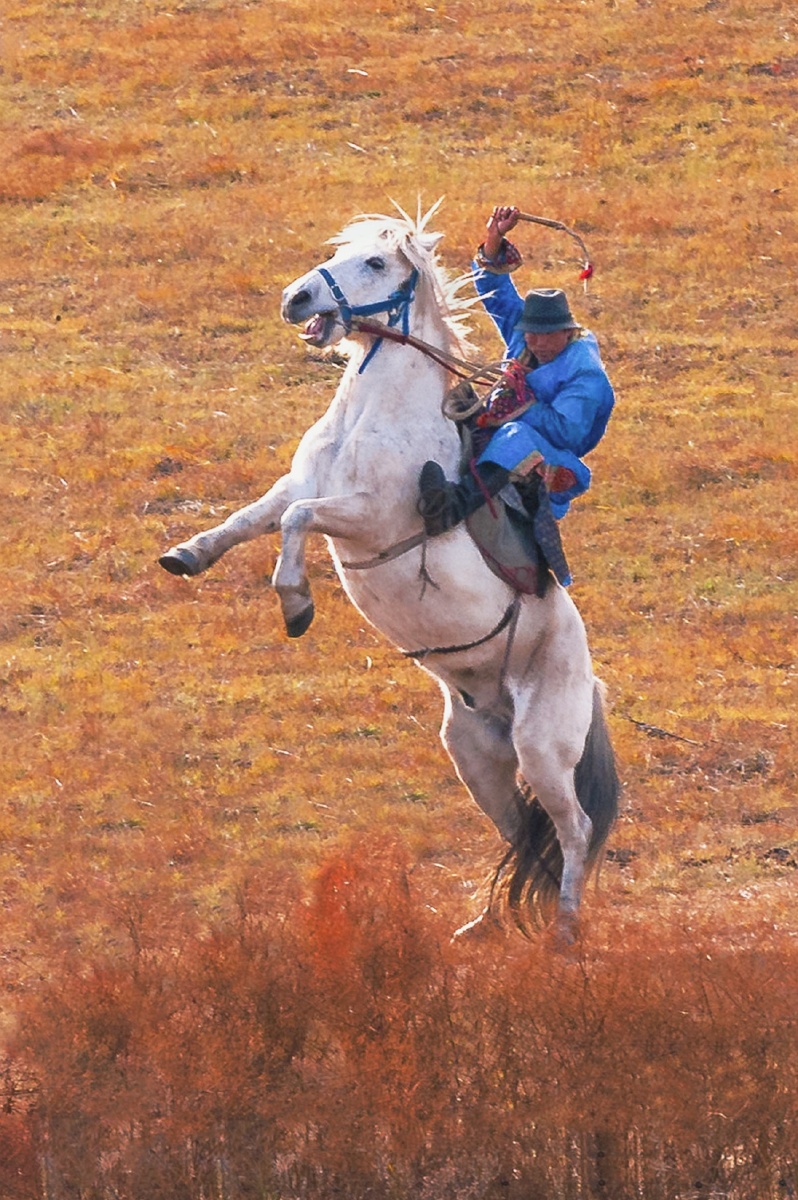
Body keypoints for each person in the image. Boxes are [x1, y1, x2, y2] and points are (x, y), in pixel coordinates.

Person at [417, 204, 615, 583]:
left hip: (550, 456)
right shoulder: (525, 335)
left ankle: (453, 507)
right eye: (530, 334)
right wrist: (495, 238)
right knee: (454, 392)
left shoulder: (586, 377)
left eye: (544, 335)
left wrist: (518, 400)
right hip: (502, 420)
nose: (536, 342)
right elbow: (495, 292)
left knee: (514, 437)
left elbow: (567, 432)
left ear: (566, 332)